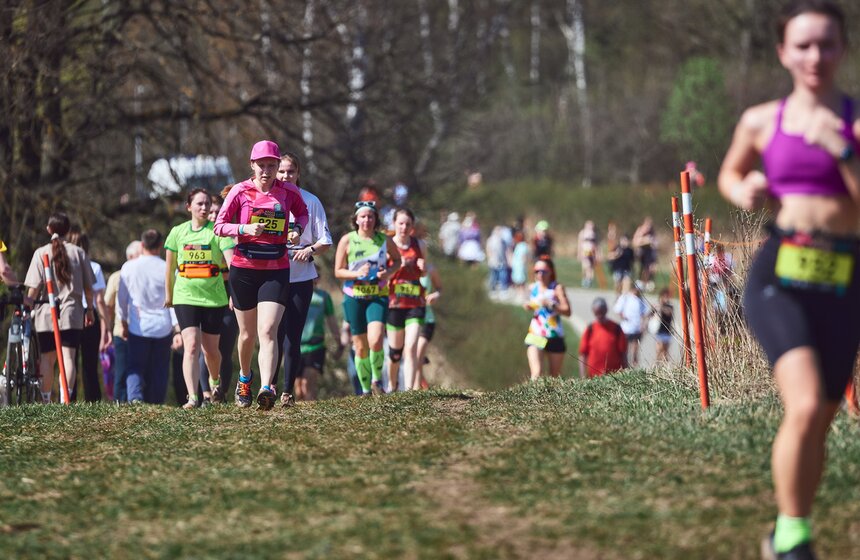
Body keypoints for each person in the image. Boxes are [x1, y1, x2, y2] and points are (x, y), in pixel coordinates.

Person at [717, 3, 859, 557]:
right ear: (783, 53)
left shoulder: (853, 121)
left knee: (821, 416)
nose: (815, 56)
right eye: (802, 45)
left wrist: (841, 147)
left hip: (845, 277)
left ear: (843, 49)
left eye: (826, 44)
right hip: (781, 273)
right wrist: (742, 189)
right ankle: (795, 536)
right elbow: (730, 171)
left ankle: (783, 532)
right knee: (802, 407)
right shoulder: (760, 120)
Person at [214, 140, 309, 410]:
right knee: (247, 335)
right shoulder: (239, 192)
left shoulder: (288, 192)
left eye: (272, 165)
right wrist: (244, 229)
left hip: (276, 268)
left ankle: (267, 388)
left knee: (268, 330)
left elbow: (302, 215)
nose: (266, 171)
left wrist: (296, 231)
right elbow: (219, 227)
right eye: (262, 165)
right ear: (252, 165)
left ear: (278, 166)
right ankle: (245, 379)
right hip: (244, 268)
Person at [164, 188, 235, 409]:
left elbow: (233, 265)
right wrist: (169, 295)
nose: (204, 208)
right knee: (191, 346)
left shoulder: (218, 232)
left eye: (207, 204)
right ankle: (193, 397)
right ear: (189, 207)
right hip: (185, 295)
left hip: (213, 298)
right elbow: (169, 269)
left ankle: (215, 382)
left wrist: (236, 293)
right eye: (199, 204)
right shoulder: (177, 232)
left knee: (211, 351)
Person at [274, 152, 333, 407]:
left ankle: (287, 392)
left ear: (298, 174)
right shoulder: (269, 200)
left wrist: (309, 251)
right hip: (272, 276)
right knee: (271, 334)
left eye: (291, 172)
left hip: (301, 277)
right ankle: (269, 387)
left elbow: (325, 240)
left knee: (292, 336)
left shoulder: (310, 201)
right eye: (282, 171)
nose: (286, 176)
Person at [24, 213, 95, 403]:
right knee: (68, 357)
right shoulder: (78, 253)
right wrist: (89, 310)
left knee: (47, 359)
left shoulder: (41, 253)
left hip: (47, 313)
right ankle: (65, 398)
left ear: (49, 229)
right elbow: (89, 287)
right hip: (72, 312)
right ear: (68, 230)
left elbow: (34, 288)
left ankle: (46, 400)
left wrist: (27, 305)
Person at [334, 201, 401, 396]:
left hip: (377, 295)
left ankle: (377, 381)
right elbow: (338, 271)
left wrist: (387, 273)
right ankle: (364, 390)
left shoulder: (384, 240)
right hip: (354, 296)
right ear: (356, 219)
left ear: (376, 219)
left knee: (377, 339)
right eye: (362, 216)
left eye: (370, 216)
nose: (367, 220)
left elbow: (397, 260)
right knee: (361, 346)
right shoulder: (347, 240)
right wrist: (357, 274)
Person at [118, 229, 178, 404]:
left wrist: (123, 320)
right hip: (163, 326)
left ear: (142, 245)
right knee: (160, 368)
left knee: (135, 366)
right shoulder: (167, 268)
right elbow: (173, 299)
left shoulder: (129, 267)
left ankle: (135, 398)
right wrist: (177, 327)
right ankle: (156, 401)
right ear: (160, 245)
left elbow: (122, 298)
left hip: (139, 325)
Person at [199, 193, 240, 403]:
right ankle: (206, 394)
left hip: (228, 292)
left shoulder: (233, 237)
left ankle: (220, 392)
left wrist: (234, 294)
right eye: (211, 211)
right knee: (206, 347)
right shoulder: (200, 235)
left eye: (218, 211)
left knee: (225, 347)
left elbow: (238, 270)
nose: (214, 215)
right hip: (205, 293)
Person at [386, 208, 428, 391]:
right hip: (394, 303)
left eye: (407, 224)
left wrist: (423, 267)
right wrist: (397, 266)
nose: (403, 227)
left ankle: (409, 391)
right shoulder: (387, 245)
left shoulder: (419, 245)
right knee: (395, 353)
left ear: (412, 227)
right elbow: (382, 276)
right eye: (400, 223)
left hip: (415, 302)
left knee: (411, 347)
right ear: (394, 224)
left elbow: (425, 272)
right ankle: (391, 386)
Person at [67, 229, 110, 402]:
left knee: (70, 358)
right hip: (89, 312)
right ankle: (93, 400)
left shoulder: (64, 266)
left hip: (69, 313)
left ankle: (69, 397)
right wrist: (106, 325)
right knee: (90, 363)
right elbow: (100, 299)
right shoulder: (95, 267)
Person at [104, 240, 142, 402]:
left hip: (143, 333)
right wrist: (107, 332)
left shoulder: (145, 276)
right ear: (131, 256)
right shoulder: (116, 277)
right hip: (122, 333)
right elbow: (108, 305)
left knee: (140, 372)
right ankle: (119, 405)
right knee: (121, 372)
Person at [523, 256, 571, 380]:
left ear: (551, 272)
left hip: (554, 335)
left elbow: (567, 310)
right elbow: (526, 302)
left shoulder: (557, 288)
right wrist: (528, 305)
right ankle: (531, 399)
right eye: (537, 271)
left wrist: (551, 304)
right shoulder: (532, 288)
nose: (540, 274)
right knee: (536, 373)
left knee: (554, 377)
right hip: (536, 334)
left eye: (543, 271)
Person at [294, 281, 343, 401]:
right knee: (298, 390)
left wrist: (338, 343)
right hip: (296, 346)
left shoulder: (324, 297)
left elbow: (331, 321)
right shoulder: (294, 293)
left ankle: (311, 414)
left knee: (307, 385)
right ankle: (302, 417)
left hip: (315, 346)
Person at [579, 297, 628, 378]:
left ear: (606, 310)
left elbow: (623, 353)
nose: (599, 315)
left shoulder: (616, 328)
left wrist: (626, 374)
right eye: (597, 313)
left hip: (614, 376)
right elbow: (582, 354)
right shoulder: (590, 329)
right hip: (594, 377)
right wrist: (582, 376)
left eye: (601, 312)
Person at [414, 262, 442, 389]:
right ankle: (421, 387)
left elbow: (439, 289)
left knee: (418, 353)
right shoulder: (402, 267)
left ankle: (415, 390)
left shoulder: (430, 268)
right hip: (409, 319)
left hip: (427, 319)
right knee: (412, 356)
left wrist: (435, 295)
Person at [613, 278, 648, 367]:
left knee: (635, 348)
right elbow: (617, 310)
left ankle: (634, 364)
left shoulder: (641, 300)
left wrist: (644, 324)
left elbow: (644, 313)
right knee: (625, 348)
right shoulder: (625, 297)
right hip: (626, 328)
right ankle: (624, 365)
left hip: (637, 328)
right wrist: (623, 316)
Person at [632, 217, 657, 292]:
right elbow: (635, 242)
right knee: (642, 269)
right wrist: (645, 241)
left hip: (649, 253)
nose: (648, 227)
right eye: (647, 225)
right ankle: (640, 284)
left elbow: (655, 243)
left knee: (650, 269)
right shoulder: (640, 230)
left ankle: (647, 284)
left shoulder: (652, 232)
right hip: (641, 254)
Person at [653, 288, 674, 363]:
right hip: (659, 331)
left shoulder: (670, 306)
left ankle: (664, 366)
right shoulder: (657, 305)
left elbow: (669, 312)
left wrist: (660, 307)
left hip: (667, 331)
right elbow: (651, 315)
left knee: (665, 352)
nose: (666, 298)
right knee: (659, 350)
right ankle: (657, 365)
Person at [578, 220, 599, 288]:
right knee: (586, 267)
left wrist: (597, 254)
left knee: (590, 267)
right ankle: (585, 280)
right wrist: (579, 253)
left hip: (592, 252)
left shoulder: (594, 234)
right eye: (590, 225)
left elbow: (596, 244)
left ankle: (589, 281)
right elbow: (579, 243)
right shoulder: (582, 233)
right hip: (585, 252)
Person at [510, 231, 530, 299]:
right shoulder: (518, 245)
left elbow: (524, 257)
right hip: (517, 265)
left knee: (521, 281)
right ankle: (519, 294)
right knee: (517, 280)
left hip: (520, 266)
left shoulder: (523, 246)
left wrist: (523, 264)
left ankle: (522, 295)